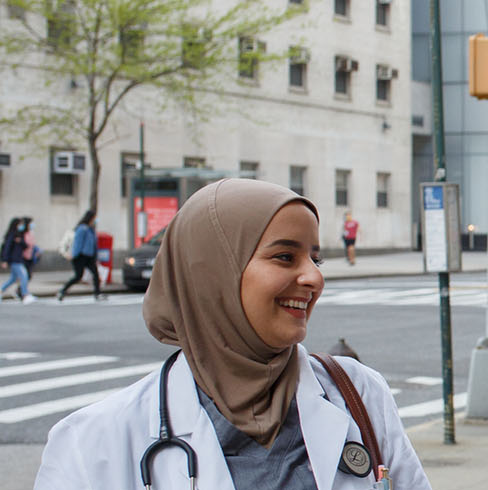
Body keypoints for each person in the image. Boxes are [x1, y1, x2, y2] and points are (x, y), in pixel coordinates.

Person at [34, 179, 431, 490]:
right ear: (212, 277)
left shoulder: (359, 393)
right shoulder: (93, 443)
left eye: (315, 257)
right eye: (284, 257)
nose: (313, 276)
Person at [56, 210, 102, 301]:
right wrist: (74, 255)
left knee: (96, 275)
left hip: (89, 257)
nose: (96, 220)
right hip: (80, 256)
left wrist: (95, 257)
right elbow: (78, 243)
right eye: (95, 218)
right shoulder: (82, 229)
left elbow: (94, 244)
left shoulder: (90, 229)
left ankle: (97, 293)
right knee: (78, 276)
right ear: (91, 218)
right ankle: (62, 291)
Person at [2, 217, 37, 304]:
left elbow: (25, 246)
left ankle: (2, 290)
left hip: (19, 259)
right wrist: (4, 260)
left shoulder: (18, 235)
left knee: (13, 279)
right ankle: (25, 295)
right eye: (20, 224)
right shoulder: (12, 235)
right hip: (15, 260)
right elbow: (7, 248)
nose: (21, 226)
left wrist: (20, 241)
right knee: (24, 276)